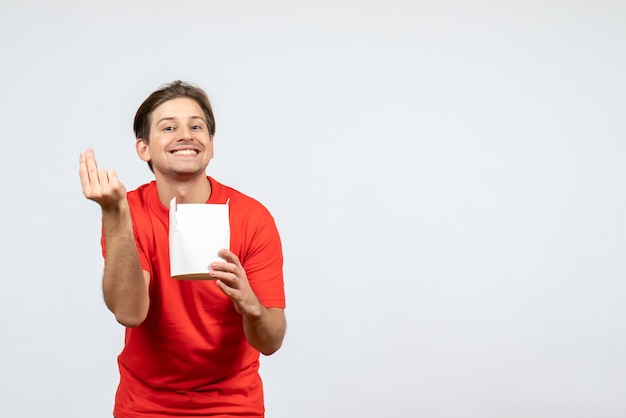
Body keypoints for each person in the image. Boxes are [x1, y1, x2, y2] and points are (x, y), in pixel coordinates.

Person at [79, 80, 286, 418]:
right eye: (169, 127)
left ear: (211, 144)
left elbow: (271, 341)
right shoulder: (127, 211)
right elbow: (130, 313)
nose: (186, 134)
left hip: (233, 404)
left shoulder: (252, 217)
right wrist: (113, 214)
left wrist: (252, 306)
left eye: (196, 126)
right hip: (144, 405)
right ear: (143, 149)